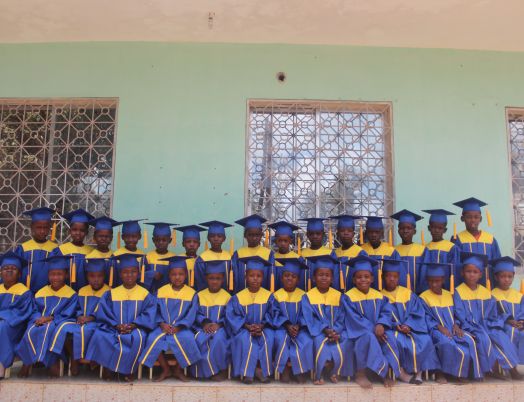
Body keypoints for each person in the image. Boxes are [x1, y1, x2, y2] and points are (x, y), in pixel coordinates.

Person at [86, 253, 156, 381]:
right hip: (114, 327)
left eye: (133, 272)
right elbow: (104, 313)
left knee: (139, 337)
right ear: (119, 274)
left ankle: (129, 370)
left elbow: (149, 313)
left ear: (138, 273)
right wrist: (116, 325)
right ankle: (108, 367)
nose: (129, 275)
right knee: (100, 334)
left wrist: (133, 325)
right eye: (125, 272)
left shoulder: (145, 294)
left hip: (136, 327)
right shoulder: (111, 293)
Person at [454, 252, 522, 380]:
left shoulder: (486, 292)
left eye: (475, 272)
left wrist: (499, 322)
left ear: (480, 274)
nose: (472, 274)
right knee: (484, 338)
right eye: (469, 271)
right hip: (470, 326)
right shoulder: (458, 292)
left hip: (486, 324)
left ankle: (512, 368)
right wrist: (472, 326)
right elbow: (459, 314)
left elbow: (493, 314)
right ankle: (489, 370)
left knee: (500, 336)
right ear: (462, 273)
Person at [343, 255, 404, 388]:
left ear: (372, 279)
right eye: (359, 277)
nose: (363, 280)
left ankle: (390, 372)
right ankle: (361, 374)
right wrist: (374, 329)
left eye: (366, 277)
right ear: (353, 280)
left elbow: (386, 312)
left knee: (389, 337)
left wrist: (381, 324)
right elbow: (354, 319)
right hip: (358, 332)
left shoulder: (379, 296)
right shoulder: (348, 297)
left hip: (378, 330)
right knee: (368, 337)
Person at [419, 262, 483, 383]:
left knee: (468, 340)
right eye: (431, 281)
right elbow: (425, 318)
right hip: (435, 330)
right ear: (427, 281)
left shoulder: (449, 294)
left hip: (452, 328)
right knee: (446, 343)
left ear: (443, 280)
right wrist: (439, 327)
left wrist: (456, 325)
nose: (434, 284)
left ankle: (462, 373)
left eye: (437, 281)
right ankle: (440, 373)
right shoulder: (423, 297)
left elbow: (456, 314)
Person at [140, 256, 200, 382]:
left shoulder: (192, 293)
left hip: (182, 328)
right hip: (163, 327)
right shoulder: (161, 291)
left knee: (189, 339)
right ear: (169, 275)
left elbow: (191, 314)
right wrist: (162, 324)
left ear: (186, 275)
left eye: (181, 274)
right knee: (152, 338)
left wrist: (179, 327)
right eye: (173, 274)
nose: (177, 277)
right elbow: (154, 310)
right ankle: (166, 369)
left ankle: (178, 369)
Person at [16, 255, 78, 378]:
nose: (55, 277)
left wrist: (50, 318)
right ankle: (27, 362)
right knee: (30, 330)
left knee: (49, 329)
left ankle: (51, 363)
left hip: (58, 321)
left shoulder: (71, 294)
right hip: (40, 320)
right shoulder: (41, 292)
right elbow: (34, 310)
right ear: (48, 275)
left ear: (66, 275)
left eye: (59, 274)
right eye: (52, 274)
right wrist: (38, 318)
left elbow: (69, 314)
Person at [380, 258, 440, 384]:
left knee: (425, 339)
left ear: (399, 277)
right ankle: (401, 373)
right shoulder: (379, 295)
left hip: (411, 328)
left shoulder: (408, 294)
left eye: (395, 276)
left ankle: (419, 373)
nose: (392, 279)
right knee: (394, 340)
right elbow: (381, 316)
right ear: (382, 277)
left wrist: (409, 325)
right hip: (393, 329)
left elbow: (417, 312)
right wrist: (395, 325)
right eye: (388, 276)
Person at [48, 258, 110, 376]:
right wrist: (79, 315)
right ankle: (73, 356)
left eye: (99, 276)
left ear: (104, 276)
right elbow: (77, 307)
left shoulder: (109, 292)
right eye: (92, 276)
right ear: (87, 277)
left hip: (99, 322)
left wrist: (91, 317)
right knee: (62, 327)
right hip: (81, 321)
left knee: (86, 330)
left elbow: (108, 312)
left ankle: (86, 360)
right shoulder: (82, 290)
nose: (96, 279)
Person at [226, 256, 275, 384]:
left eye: (258, 276)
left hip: (263, 328)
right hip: (244, 328)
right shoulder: (238, 297)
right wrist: (247, 326)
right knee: (245, 339)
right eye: (251, 275)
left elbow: (273, 313)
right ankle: (249, 373)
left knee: (267, 339)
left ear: (263, 277)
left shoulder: (269, 296)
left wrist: (262, 325)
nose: (255, 278)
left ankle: (261, 370)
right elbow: (232, 316)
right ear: (245, 277)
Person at [302, 255, 349, 385]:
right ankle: (320, 373)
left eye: (327, 275)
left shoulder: (339, 296)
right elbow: (309, 318)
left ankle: (335, 371)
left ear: (332, 279)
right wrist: (325, 329)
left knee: (345, 340)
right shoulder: (308, 297)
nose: (324, 277)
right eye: (320, 275)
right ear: (314, 278)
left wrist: (335, 330)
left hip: (336, 331)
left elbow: (342, 316)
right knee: (318, 341)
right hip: (318, 331)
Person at [272, 258, 313, 383]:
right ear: (281, 278)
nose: (289, 278)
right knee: (281, 339)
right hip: (282, 327)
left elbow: (307, 314)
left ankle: (299, 371)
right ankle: (284, 370)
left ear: (298, 280)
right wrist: (287, 325)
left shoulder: (304, 295)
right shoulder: (276, 295)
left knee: (306, 340)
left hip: (300, 328)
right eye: (286, 276)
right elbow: (274, 313)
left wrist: (298, 325)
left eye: (293, 276)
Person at [190, 260, 231, 381]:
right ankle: (201, 372)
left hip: (221, 328)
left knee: (219, 339)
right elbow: (195, 313)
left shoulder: (228, 297)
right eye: (211, 278)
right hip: (202, 327)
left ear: (223, 280)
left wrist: (219, 324)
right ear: (206, 279)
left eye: (218, 278)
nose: (214, 281)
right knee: (199, 339)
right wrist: (205, 323)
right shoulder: (199, 295)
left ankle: (221, 370)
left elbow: (230, 316)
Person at [452, 198, 501, 288]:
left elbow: (497, 263)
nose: (473, 220)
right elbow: (455, 266)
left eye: (476, 217)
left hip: (488, 285)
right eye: (469, 217)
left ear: (480, 219)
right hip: (465, 287)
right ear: (462, 218)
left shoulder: (490, 239)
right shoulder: (457, 239)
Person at [0, 252, 33, 379]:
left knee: (2, 327)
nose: (9, 271)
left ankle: (1, 365)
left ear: (19, 274)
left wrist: (3, 316)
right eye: (5, 268)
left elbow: (22, 312)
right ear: (1, 272)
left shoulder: (24, 292)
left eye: (13, 268)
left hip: (15, 324)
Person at [15, 207, 58, 293]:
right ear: (32, 227)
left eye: (45, 228)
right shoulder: (23, 248)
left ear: (50, 228)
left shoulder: (55, 249)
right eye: (38, 227)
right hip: (25, 292)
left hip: (48, 294)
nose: (42, 231)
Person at [491, 256, 524, 365]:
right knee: (512, 332)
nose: (506, 279)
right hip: (502, 325)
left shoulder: (518, 295)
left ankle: (518, 364)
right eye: (503, 276)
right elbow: (492, 315)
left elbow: (522, 311)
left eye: (510, 276)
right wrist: (508, 320)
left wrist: (521, 321)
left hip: (518, 324)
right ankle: (511, 365)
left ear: (513, 277)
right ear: (496, 277)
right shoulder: (492, 295)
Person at [51, 209, 95, 291]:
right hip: (65, 293)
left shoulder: (91, 252)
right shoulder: (60, 251)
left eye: (82, 230)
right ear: (69, 231)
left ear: (86, 232)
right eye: (74, 229)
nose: (78, 233)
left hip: (85, 294)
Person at [231, 214, 275, 293]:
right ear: (245, 236)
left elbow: (270, 277)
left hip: (263, 296)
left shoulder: (268, 254)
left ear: (261, 236)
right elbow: (235, 278)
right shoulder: (238, 254)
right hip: (242, 296)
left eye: (257, 235)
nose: (254, 238)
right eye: (250, 235)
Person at [419, 209, 460, 293]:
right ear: (429, 228)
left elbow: (454, 273)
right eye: (434, 227)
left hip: (446, 292)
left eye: (440, 228)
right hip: (428, 292)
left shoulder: (451, 248)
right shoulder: (425, 248)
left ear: (445, 230)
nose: (436, 230)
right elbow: (423, 273)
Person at [299, 218, 339, 290]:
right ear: (307, 235)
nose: (315, 236)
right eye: (311, 234)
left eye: (318, 233)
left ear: (323, 235)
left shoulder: (330, 253)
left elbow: (335, 276)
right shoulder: (302, 254)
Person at [391, 210, 426, 292]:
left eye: (409, 228)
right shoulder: (394, 251)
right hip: (399, 294)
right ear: (398, 231)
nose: (405, 231)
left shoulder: (422, 250)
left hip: (418, 294)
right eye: (402, 228)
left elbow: (424, 275)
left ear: (414, 231)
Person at [361, 216, 400, 290]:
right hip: (365, 291)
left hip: (385, 291)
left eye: (377, 232)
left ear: (382, 233)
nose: (374, 235)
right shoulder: (361, 251)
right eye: (370, 232)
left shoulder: (391, 251)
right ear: (366, 233)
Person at [194, 221, 233, 292]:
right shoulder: (202, 259)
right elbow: (200, 282)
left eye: (219, 236)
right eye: (212, 236)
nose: (216, 239)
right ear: (208, 238)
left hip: (226, 295)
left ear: (224, 238)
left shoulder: (229, 257)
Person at [331, 214, 367, 291]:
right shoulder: (335, 254)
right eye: (342, 230)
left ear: (353, 234)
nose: (346, 233)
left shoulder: (360, 253)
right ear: (337, 234)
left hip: (354, 294)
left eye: (349, 231)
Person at [113, 220, 149, 289]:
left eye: (134, 236)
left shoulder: (142, 256)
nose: (130, 240)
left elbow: (145, 279)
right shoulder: (115, 255)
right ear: (122, 237)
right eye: (127, 237)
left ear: (139, 236)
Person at [144, 222, 177, 293]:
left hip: (168, 294)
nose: (160, 242)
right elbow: (140, 277)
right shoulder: (147, 257)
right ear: (153, 240)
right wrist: (151, 274)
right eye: (157, 240)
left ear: (170, 240)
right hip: (151, 293)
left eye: (164, 240)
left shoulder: (174, 258)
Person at [85, 216, 118, 286]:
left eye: (107, 236)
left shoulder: (116, 258)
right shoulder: (88, 258)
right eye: (100, 236)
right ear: (94, 237)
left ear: (111, 238)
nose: (103, 239)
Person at [269, 221, 301, 291]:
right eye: (280, 241)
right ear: (276, 241)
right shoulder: (272, 258)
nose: (282, 243)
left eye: (285, 241)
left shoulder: (297, 258)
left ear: (290, 241)